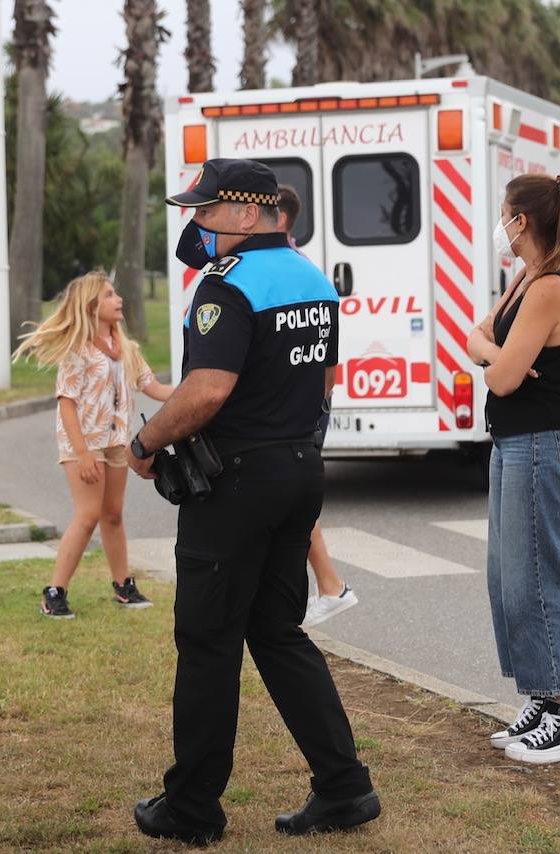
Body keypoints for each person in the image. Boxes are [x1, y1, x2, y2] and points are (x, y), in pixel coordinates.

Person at [127, 158, 380, 844]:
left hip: (235, 485)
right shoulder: (312, 277)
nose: (196, 223)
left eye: (206, 211)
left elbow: (206, 391)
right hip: (299, 471)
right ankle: (344, 787)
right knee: (276, 632)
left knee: (208, 643)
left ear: (245, 213)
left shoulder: (227, 287)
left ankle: (192, 807)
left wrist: (144, 442)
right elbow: (324, 380)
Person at [464, 174, 560, 765]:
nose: (500, 226)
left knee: (537, 577)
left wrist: (498, 359)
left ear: (522, 221)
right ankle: (543, 698)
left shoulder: (550, 290)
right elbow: (479, 339)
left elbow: (499, 376)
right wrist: (498, 355)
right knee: (508, 579)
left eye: (504, 214)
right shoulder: (526, 279)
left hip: (540, 444)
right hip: (515, 440)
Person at [12, 271, 173, 619]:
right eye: (110, 295)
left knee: (112, 515)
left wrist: (199, 389)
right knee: (87, 516)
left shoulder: (126, 350)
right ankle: (54, 592)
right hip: (82, 443)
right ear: (91, 307)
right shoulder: (78, 352)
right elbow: (66, 402)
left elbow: (155, 389)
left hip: (115, 442)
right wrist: (83, 453)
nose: (119, 300)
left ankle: (123, 586)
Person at [275, 184, 359, 628]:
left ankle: (330, 585)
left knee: (291, 495)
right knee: (290, 496)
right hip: (310, 396)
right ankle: (328, 586)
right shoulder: (299, 266)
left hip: (301, 401)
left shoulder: (290, 269)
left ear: (281, 220)